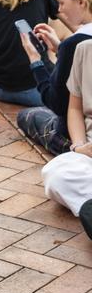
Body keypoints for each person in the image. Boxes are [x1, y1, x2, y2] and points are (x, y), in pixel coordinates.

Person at [16, 0, 92, 154]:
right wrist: (59, 48)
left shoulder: (73, 45)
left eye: (62, 3)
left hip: (73, 135)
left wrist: (36, 61)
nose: (59, 10)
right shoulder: (77, 45)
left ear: (82, 2)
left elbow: (57, 104)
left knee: (29, 115)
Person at [42, 40, 92, 236]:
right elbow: (74, 108)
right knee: (55, 174)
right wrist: (79, 146)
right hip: (88, 151)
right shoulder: (84, 49)